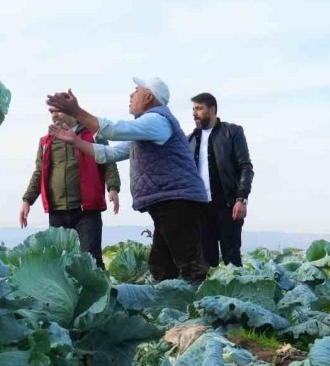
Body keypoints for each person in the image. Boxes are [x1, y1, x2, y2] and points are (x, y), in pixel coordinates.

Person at [46, 77, 210, 282]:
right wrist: (75, 141)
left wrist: (77, 111)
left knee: (189, 263)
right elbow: (110, 154)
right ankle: (174, 305)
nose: (131, 95)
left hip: (177, 201)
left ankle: (201, 307)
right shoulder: (145, 130)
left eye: (136, 90)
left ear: (149, 97)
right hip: (168, 202)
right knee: (162, 264)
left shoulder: (157, 120)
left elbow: (114, 130)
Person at [20, 108, 122, 268]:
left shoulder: (94, 136)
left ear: (71, 112)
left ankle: (102, 293)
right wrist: (27, 201)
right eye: (51, 112)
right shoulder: (45, 142)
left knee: (92, 259)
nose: (54, 115)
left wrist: (113, 188)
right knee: (60, 263)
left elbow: (109, 163)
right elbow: (39, 173)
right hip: (57, 211)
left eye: (58, 111)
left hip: (87, 211)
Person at [187, 92, 255, 267]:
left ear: (212, 109)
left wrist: (241, 199)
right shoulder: (190, 140)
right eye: (193, 109)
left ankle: (237, 294)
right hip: (200, 209)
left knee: (231, 261)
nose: (195, 113)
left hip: (228, 206)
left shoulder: (232, 132)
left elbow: (245, 167)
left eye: (199, 108)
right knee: (206, 263)